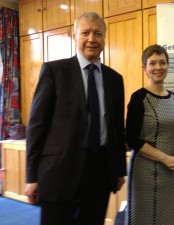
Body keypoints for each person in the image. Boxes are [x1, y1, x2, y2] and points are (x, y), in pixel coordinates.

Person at [24, 11, 127, 225]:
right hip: (59, 171)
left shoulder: (115, 79)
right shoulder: (54, 71)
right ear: (75, 37)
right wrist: (32, 176)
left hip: (100, 171)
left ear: (104, 39)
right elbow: (36, 126)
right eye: (85, 33)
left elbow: (117, 127)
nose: (92, 39)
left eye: (98, 33)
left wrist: (117, 170)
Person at [125, 44, 174, 225]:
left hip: (171, 170)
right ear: (144, 68)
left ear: (168, 65)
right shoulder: (139, 98)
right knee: (144, 218)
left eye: (162, 62)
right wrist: (164, 158)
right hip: (144, 170)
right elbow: (132, 139)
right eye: (152, 63)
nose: (158, 68)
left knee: (168, 217)